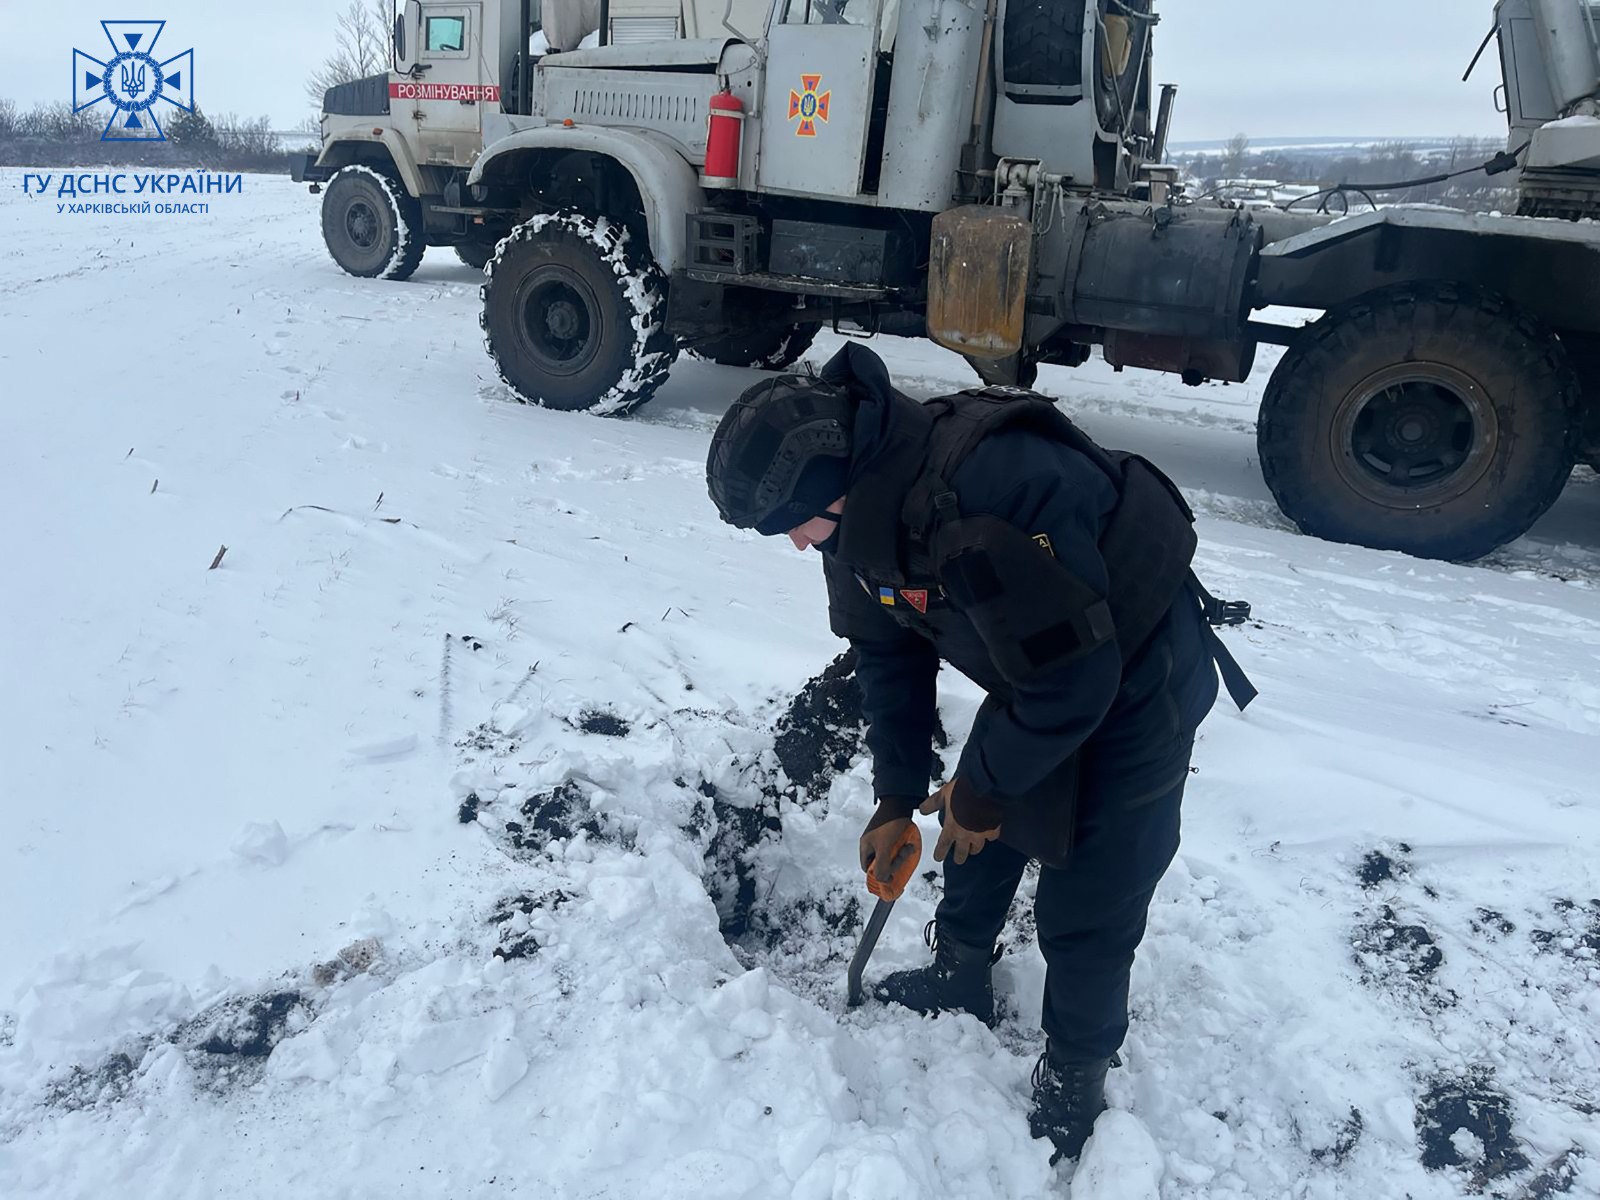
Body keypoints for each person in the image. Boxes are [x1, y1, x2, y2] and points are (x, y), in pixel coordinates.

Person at [705, 343, 1255, 1163]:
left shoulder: (988, 495)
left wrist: (981, 789)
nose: (795, 545)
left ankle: (1075, 1076)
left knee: (1090, 898)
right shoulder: (857, 530)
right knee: (984, 819)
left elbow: (1076, 684)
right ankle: (960, 971)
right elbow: (888, 655)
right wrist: (898, 797)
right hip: (1036, 654)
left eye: (795, 525)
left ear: (836, 486)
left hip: (1141, 670)